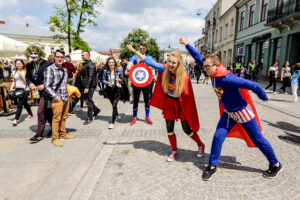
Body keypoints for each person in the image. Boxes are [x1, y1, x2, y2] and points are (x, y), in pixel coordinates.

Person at [184, 40, 282, 181]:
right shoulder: (212, 72)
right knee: (218, 136)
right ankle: (212, 165)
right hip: (229, 113)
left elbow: (253, 85)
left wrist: (264, 96)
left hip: (242, 113)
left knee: (258, 139)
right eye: (204, 66)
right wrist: (187, 44)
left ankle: (275, 164)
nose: (204, 69)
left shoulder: (228, 78)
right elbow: (198, 58)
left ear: (216, 66)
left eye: (207, 67)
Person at [127, 43, 205, 162]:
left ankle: (200, 144)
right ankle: (174, 151)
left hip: (181, 104)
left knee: (186, 129)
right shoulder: (164, 69)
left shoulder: (184, 76)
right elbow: (148, 61)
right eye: (169, 61)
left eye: (174, 63)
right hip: (170, 102)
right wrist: (133, 50)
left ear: (178, 64)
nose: (171, 64)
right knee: (169, 127)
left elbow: (188, 96)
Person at [44, 49, 75, 147]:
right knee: (56, 119)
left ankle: (63, 133)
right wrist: (56, 97)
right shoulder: (50, 69)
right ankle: (55, 138)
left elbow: (65, 83)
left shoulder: (65, 70)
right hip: (57, 98)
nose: (60, 59)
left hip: (65, 97)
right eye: (58, 57)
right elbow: (47, 86)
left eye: (62, 57)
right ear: (54, 57)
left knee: (64, 117)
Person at [26, 45, 53, 142]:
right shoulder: (28, 65)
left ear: (40, 54)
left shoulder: (48, 64)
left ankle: (39, 134)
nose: (33, 55)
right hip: (36, 92)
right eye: (31, 53)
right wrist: (30, 83)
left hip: (47, 92)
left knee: (40, 111)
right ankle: (54, 129)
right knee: (47, 112)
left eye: (35, 53)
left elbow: (53, 78)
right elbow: (27, 77)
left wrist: (45, 85)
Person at [126, 43, 153, 126]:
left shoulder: (148, 57)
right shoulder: (134, 57)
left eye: (143, 48)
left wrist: (144, 67)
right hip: (136, 82)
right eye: (140, 48)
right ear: (138, 48)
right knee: (136, 100)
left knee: (147, 100)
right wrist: (133, 67)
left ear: (146, 49)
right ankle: (134, 117)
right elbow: (128, 66)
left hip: (146, 82)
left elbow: (153, 66)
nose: (142, 50)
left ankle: (147, 117)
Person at [10, 59, 34, 126]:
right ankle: (31, 114)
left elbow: (26, 82)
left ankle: (16, 119)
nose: (18, 65)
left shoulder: (26, 71)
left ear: (23, 64)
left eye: (19, 64)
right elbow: (14, 81)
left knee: (20, 104)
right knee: (25, 103)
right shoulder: (14, 71)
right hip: (18, 89)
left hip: (25, 90)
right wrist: (11, 88)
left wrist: (22, 75)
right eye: (17, 64)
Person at [79, 50, 100, 123]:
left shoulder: (90, 64)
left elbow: (90, 77)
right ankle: (96, 110)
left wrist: (87, 87)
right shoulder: (85, 64)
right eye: (82, 55)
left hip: (90, 85)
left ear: (88, 56)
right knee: (88, 100)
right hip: (85, 85)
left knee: (88, 100)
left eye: (83, 55)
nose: (82, 56)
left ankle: (89, 117)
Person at [102, 57, 123, 129]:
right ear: (108, 63)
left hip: (117, 90)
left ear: (115, 63)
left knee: (114, 105)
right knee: (113, 104)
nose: (111, 64)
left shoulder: (118, 70)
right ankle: (117, 114)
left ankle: (112, 123)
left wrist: (120, 80)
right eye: (110, 62)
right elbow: (103, 79)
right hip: (109, 90)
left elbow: (122, 79)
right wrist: (107, 82)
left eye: (112, 62)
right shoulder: (105, 71)